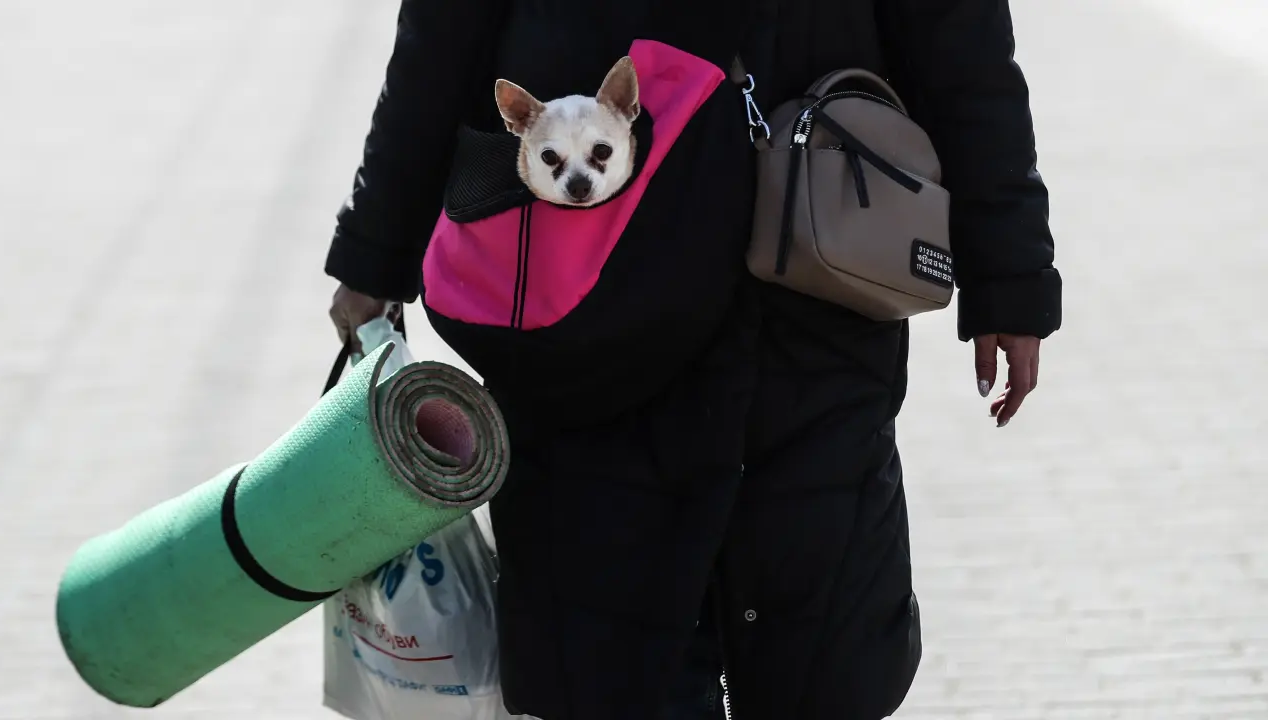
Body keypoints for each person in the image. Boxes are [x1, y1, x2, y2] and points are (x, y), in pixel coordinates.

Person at [326, 1, 1061, 718]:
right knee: (608, 671)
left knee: (821, 661)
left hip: (812, 300)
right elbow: (441, 39)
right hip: (583, 323)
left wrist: (1009, 273)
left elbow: (962, 47)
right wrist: (376, 251)